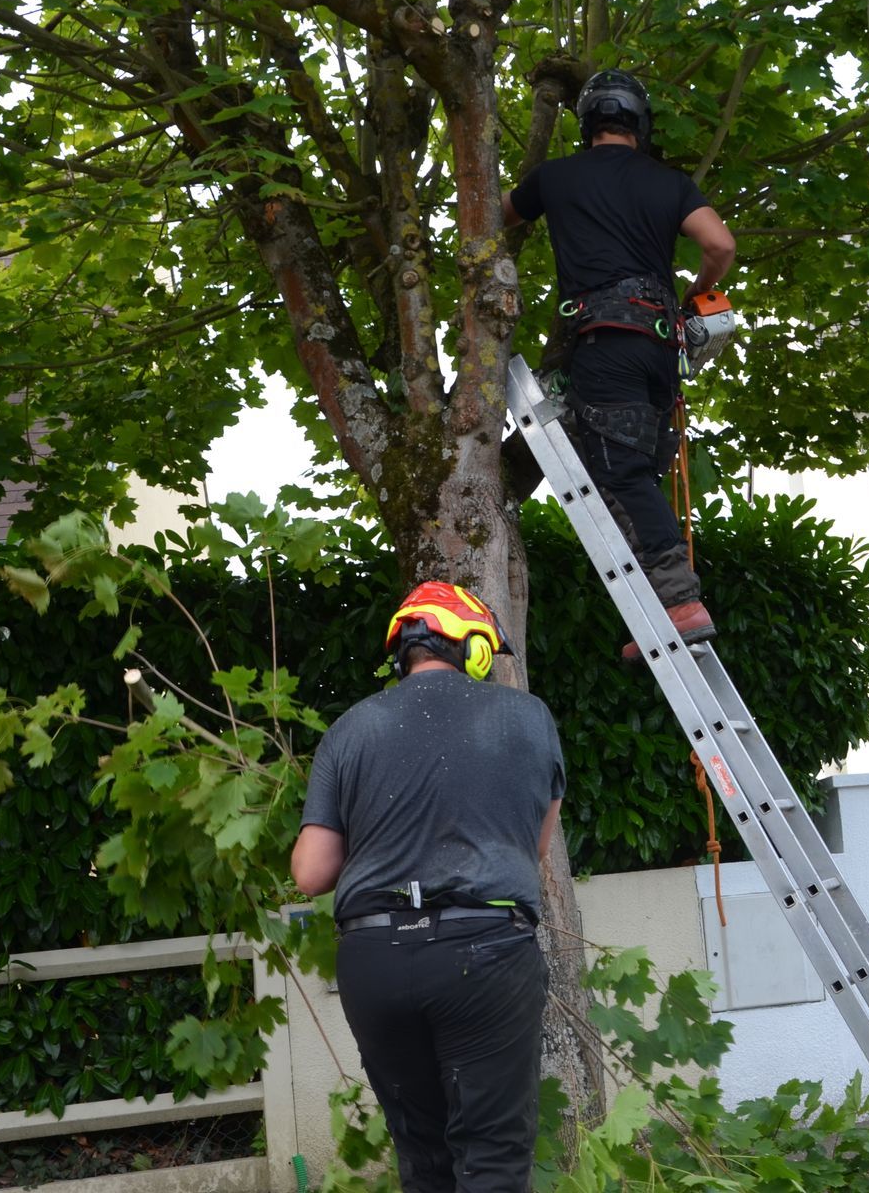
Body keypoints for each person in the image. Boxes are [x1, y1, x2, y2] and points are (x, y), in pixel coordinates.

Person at [290, 581, 565, 1193]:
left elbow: (310, 872)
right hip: (485, 953)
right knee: (491, 1158)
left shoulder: (351, 728)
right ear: (474, 649)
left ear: (404, 652)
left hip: (375, 960)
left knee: (425, 1161)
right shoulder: (528, 717)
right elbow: (535, 848)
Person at [503, 69, 737, 661]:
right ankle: (662, 610)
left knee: (619, 474)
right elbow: (721, 245)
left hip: (605, 340)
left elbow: (491, 217)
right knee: (637, 472)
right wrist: (695, 291)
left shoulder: (554, 177)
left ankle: (681, 602)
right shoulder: (669, 182)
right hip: (662, 347)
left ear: (587, 124)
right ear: (640, 122)